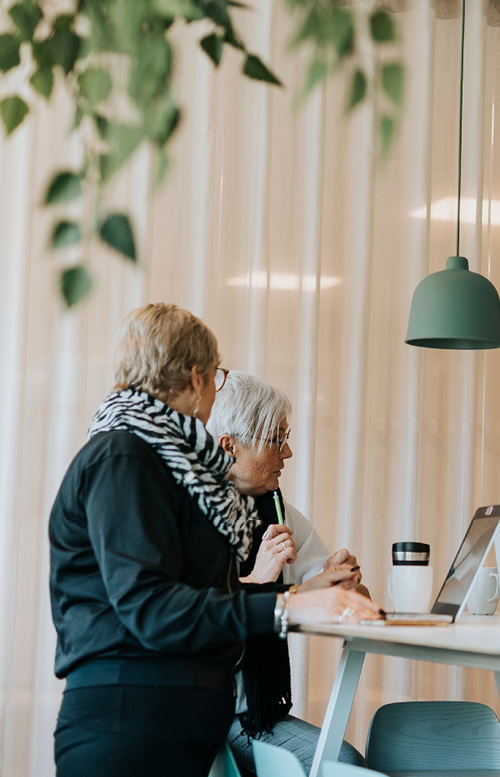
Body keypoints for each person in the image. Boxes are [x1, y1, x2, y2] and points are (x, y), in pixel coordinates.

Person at [49, 304, 382, 777]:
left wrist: (302, 593)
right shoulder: (124, 457)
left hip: (164, 729)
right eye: (218, 375)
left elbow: (199, 597)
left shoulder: (170, 469)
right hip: (131, 728)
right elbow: (151, 608)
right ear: (196, 377)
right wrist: (287, 607)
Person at [206, 372, 370, 775]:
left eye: (286, 437)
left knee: (344, 763)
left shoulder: (281, 516)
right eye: (276, 440)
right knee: (344, 765)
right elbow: (183, 613)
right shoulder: (186, 515)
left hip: (254, 712)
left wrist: (342, 582)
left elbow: (354, 603)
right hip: (200, 710)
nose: (289, 452)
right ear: (229, 447)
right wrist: (260, 581)